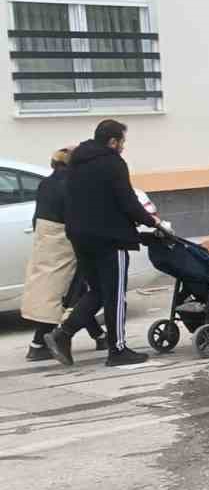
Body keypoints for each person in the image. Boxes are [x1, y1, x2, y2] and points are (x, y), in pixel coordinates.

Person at [43, 120, 160, 367]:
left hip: (80, 237)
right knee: (115, 295)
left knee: (97, 291)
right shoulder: (112, 162)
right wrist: (152, 222)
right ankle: (117, 350)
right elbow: (127, 201)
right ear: (113, 141)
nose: (123, 147)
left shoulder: (76, 162)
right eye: (122, 142)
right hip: (109, 238)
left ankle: (62, 334)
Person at [21, 147, 105, 360]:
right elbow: (76, 217)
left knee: (70, 291)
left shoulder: (45, 183)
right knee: (64, 293)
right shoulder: (71, 184)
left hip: (45, 241)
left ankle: (99, 335)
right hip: (64, 243)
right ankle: (39, 343)